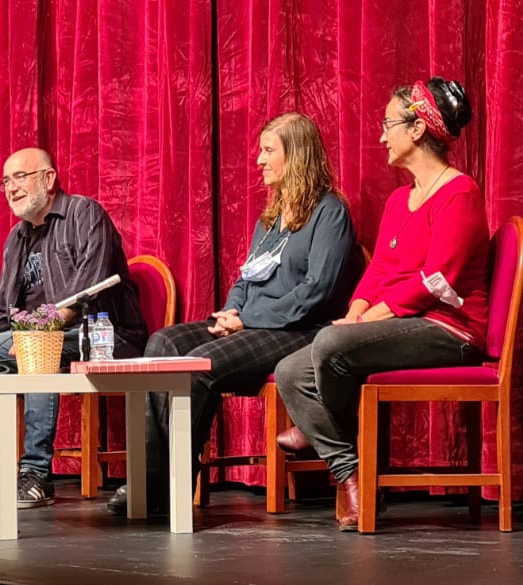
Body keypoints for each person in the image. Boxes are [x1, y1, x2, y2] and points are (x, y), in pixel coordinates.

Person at [107, 112, 361, 517]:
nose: (258, 160)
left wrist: (249, 317)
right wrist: (230, 309)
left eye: (268, 151)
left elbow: (318, 291)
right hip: (251, 323)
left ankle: (170, 484)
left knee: (198, 366)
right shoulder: (272, 217)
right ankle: (150, 478)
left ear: (296, 155)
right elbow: (247, 277)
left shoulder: (330, 212)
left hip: (300, 330)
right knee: (162, 343)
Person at [274, 78, 491, 531]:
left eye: (388, 124)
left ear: (417, 130)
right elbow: (378, 272)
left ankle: (322, 434)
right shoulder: (398, 200)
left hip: (448, 329)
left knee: (331, 343)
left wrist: (371, 317)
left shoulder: (460, 193)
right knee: (290, 369)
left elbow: (437, 279)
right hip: (399, 324)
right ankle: (352, 475)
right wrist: (357, 308)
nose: (381, 135)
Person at [0, 148, 147, 508]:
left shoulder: (84, 214)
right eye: (5, 181)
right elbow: (0, 309)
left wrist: (39, 330)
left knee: (37, 353)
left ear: (49, 179)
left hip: (103, 335)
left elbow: (88, 290)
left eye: (19, 177)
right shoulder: (18, 237)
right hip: (39, 339)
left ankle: (36, 473)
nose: (10, 188)